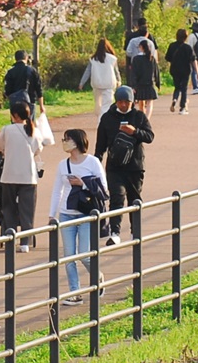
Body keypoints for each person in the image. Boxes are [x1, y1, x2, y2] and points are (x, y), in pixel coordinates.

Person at [50, 129, 107, 298]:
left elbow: (103, 188)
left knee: (85, 255)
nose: (64, 142)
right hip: (66, 214)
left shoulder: (92, 162)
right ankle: (75, 292)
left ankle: (98, 277)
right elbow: (56, 191)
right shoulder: (63, 164)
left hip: (86, 215)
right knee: (69, 257)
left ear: (76, 141)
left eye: (67, 139)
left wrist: (83, 184)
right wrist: (52, 215)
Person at [94, 84, 154, 243]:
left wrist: (134, 131)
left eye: (127, 102)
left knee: (134, 199)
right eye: (120, 101)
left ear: (132, 102)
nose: (123, 104)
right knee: (116, 197)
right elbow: (100, 145)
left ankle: (136, 231)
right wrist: (96, 163)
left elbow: (149, 136)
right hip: (114, 167)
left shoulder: (139, 117)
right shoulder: (107, 118)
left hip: (135, 167)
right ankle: (115, 233)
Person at [0, 99, 44, 250]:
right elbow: (38, 150)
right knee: (27, 210)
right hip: (28, 176)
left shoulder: (6, 130)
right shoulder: (34, 131)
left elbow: (1, 147)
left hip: (9, 175)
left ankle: (10, 238)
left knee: (8, 208)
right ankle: (25, 243)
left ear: (14, 115)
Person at [125, 23, 161, 114]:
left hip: (139, 79)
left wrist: (133, 84)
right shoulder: (151, 48)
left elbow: (128, 53)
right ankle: (147, 118)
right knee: (149, 102)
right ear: (147, 34)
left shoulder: (133, 42)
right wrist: (158, 82)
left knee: (141, 100)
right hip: (149, 80)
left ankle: (143, 116)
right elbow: (156, 68)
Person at [79, 38, 120, 115]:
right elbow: (116, 71)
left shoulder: (93, 59)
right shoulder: (112, 58)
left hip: (97, 84)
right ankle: (102, 121)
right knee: (106, 105)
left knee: (98, 104)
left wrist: (82, 83)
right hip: (108, 84)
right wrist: (119, 80)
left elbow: (87, 71)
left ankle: (99, 119)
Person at [165, 27, 196, 114]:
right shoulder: (188, 47)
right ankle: (182, 107)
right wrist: (197, 71)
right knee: (184, 89)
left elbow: (168, 58)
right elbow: (193, 59)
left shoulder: (172, 46)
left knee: (177, 87)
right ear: (186, 37)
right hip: (185, 70)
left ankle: (175, 99)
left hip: (174, 69)